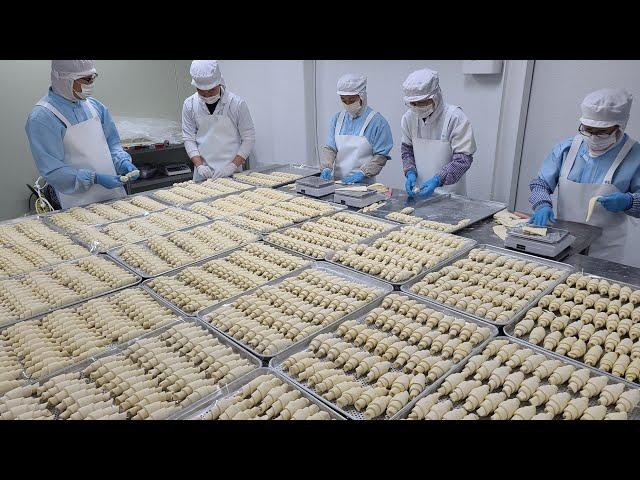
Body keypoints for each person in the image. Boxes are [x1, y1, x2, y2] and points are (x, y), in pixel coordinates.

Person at [528, 88, 640, 266]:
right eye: (588, 130)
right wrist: (542, 204)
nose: (593, 137)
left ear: (620, 127)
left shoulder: (635, 157)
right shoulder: (567, 149)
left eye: (602, 132)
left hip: (607, 251)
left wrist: (629, 202)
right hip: (563, 245)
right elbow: (540, 184)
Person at [25, 60, 138, 209]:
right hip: (77, 204)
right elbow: (53, 170)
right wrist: (94, 178)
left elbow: (113, 144)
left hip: (114, 196)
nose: (90, 84)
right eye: (85, 80)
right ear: (63, 79)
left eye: (93, 78)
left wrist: (122, 162)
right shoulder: (42, 118)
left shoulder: (95, 107)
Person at [400, 68, 476, 198]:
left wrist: (438, 179)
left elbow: (463, 160)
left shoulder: (455, 118)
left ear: (436, 96)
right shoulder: (408, 118)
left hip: (451, 196)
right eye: (413, 103)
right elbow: (407, 151)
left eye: (423, 102)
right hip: (419, 192)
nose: (418, 106)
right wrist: (410, 172)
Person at [182, 60, 256, 182]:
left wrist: (232, 166)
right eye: (201, 91)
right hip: (203, 175)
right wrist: (199, 166)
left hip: (233, 172)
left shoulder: (236, 104)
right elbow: (188, 138)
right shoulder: (189, 105)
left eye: (211, 90)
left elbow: (249, 138)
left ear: (219, 83)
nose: (207, 95)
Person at [320, 73, 392, 184]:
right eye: (344, 100)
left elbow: (381, 156)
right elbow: (330, 148)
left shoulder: (377, 122)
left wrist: (363, 173)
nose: (348, 104)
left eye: (352, 100)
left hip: (364, 185)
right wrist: (326, 167)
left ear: (362, 96)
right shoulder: (337, 119)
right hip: (338, 183)